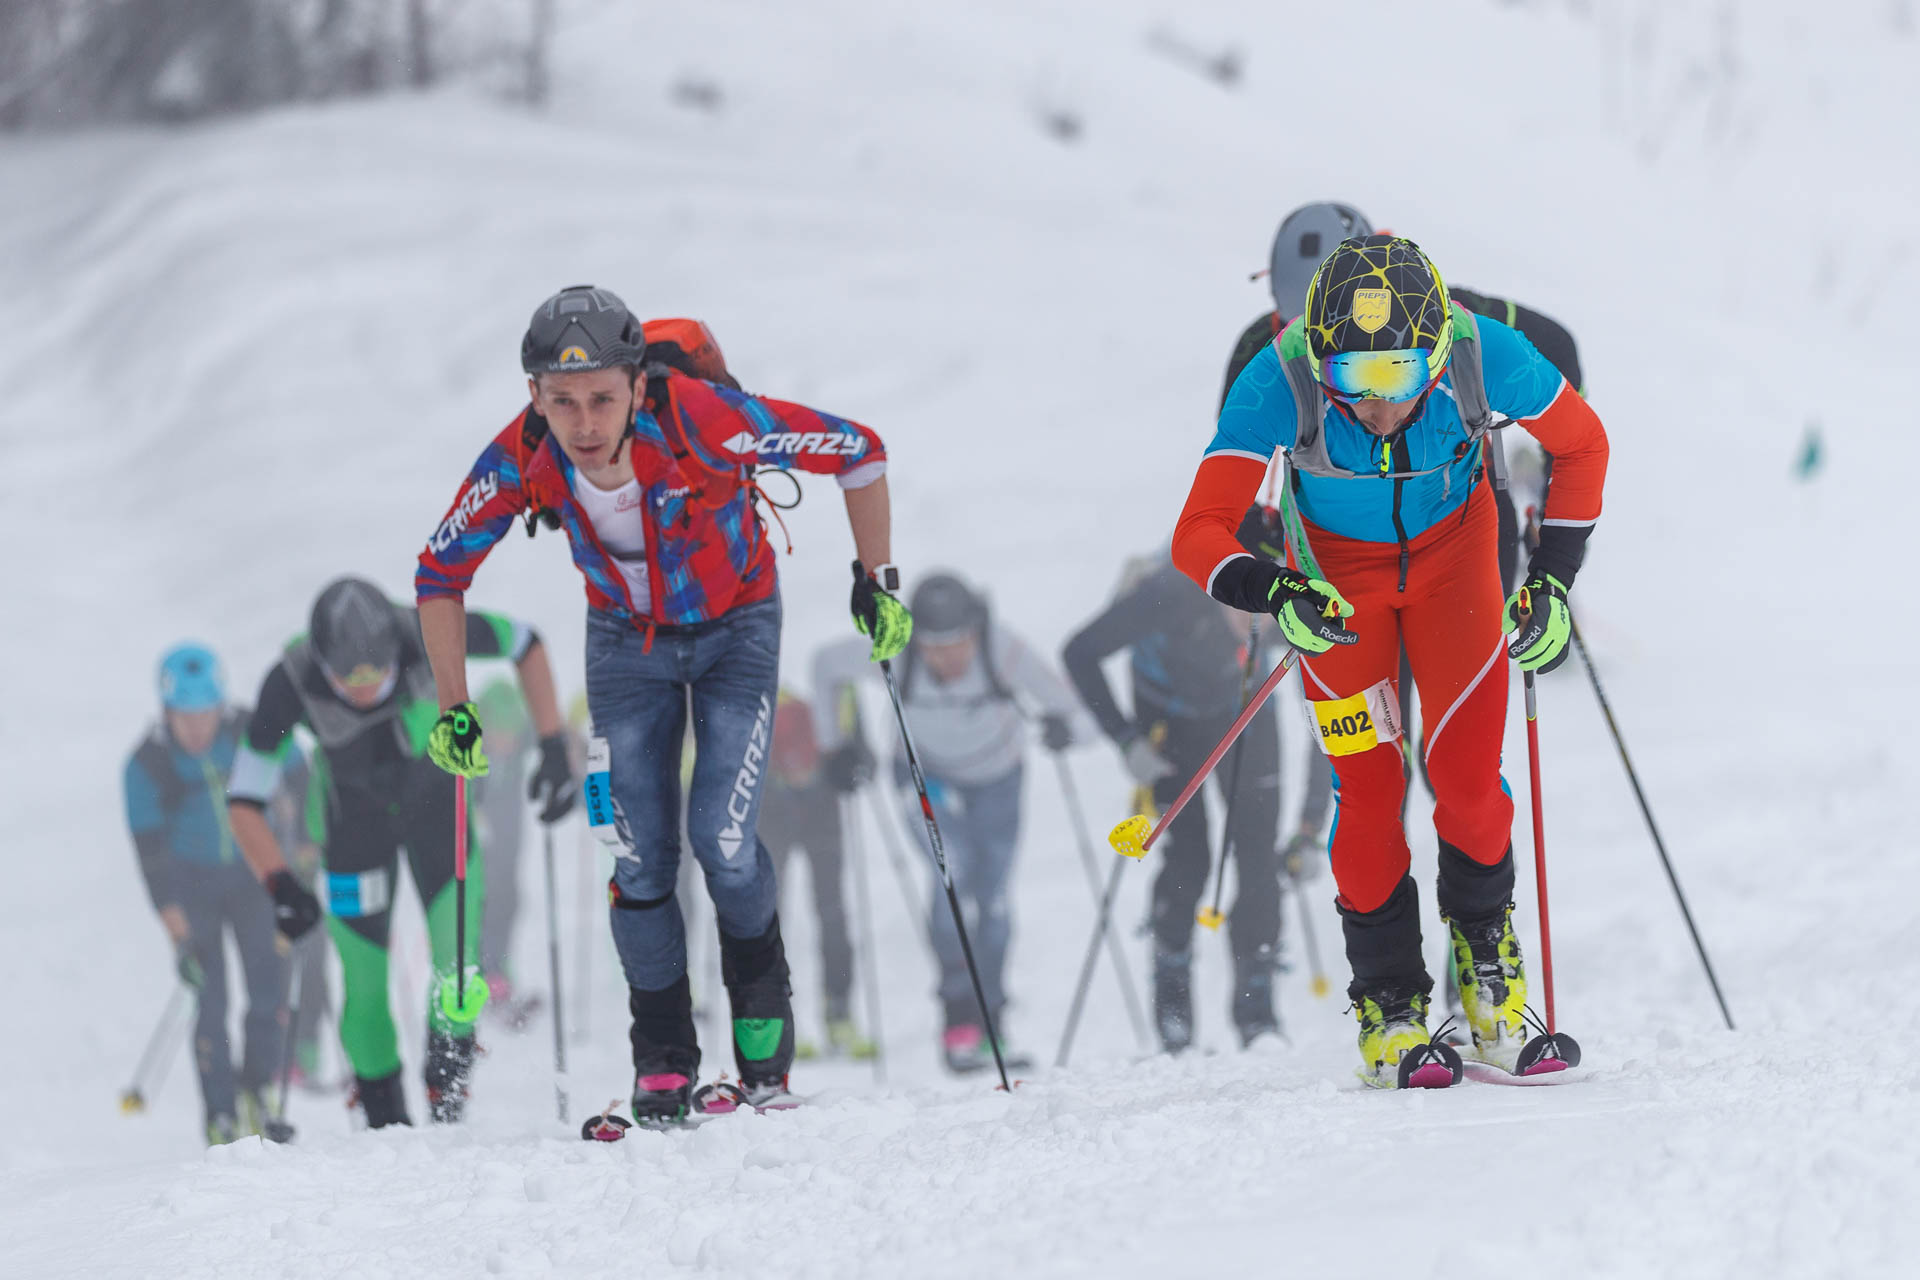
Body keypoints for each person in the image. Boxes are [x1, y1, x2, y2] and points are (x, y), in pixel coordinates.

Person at [413, 288, 906, 1123]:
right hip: (624, 645)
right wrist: (454, 706)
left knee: (721, 834)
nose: (584, 422)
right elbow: (439, 571)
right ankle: (665, 1061)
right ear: (534, 396)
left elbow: (859, 450)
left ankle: (762, 1053)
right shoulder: (523, 455)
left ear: (639, 385)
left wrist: (876, 579)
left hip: (735, 630)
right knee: (638, 856)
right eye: (561, 401)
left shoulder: (708, 419)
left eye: (603, 396)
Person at [1172, 234, 1608, 1088]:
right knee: (1369, 785)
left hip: (1457, 562)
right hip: (1338, 583)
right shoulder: (1280, 372)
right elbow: (1200, 529)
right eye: (1355, 382)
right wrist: (1275, 591)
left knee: (1470, 780)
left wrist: (1553, 583)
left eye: (1399, 379)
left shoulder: (1485, 350)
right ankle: (1391, 1007)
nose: (1375, 407)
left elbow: (1583, 443)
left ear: (1438, 353)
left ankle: (1487, 984)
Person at [225, 577, 569, 1128]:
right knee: (363, 986)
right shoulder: (290, 680)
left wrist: (552, 745)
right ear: (322, 664)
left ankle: (447, 1087)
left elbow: (525, 641)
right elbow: (243, 798)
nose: (362, 689)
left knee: (457, 970)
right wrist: (280, 882)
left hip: (439, 819)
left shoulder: (428, 630)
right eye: (346, 678)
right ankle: (384, 1117)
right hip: (353, 835)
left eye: (375, 674)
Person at [1062, 513, 1331, 1053]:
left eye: (1268, 609)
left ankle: (1257, 1014)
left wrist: (1308, 828)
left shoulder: (1296, 604)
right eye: (1245, 604)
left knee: (1258, 856)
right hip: (1169, 720)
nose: (1257, 621)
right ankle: (1173, 1008)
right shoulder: (1173, 591)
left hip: (1246, 707)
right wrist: (1125, 740)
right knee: (1189, 859)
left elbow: (1327, 718)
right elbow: (1080, 652)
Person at [814, 572, 1096, 1073]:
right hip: (926, 779)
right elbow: (825, 666)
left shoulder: (1002, 649)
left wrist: (1063, 730)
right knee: (953, 879)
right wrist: (836, 745)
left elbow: (1078, 712)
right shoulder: (895, 648)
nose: (947, 657)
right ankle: (958, 1018)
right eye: (933, 646)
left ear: (975, 629)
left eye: (958, 642)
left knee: (994, 897)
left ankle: (993, 1021)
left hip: (998, 780)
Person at [124, 643, 288, 1144]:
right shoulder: (146, 765)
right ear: (166, 711)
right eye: (184, 716)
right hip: (192, 890)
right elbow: (151, 859)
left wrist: (298, 858)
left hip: (253, 877)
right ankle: (220, 1113)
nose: (196, 727)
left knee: (269, 987)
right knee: (209, 1001)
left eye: (205, 714)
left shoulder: (249, 732)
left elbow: (300, 777)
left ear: (222, 707)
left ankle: (259, 1090)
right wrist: (179, 935)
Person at [758, 691, 875, 1060]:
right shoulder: (825, 690)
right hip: (779, 806)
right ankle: (789, 1013)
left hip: (806, 806)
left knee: (824, 912)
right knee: (781, 914)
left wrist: (852, 768)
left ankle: (834, 1012)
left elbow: (864, 758)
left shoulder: (834, 689)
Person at [471, 676, 541, 1027]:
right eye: (499, 734)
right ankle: (485, 971)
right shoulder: (470, 746)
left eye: (512, 736)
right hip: (480, 839)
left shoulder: (519, 738)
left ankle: (499, 966)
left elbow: (547, 737)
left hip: (509, 836)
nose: (505, 743)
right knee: (486, 900)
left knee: (511, 898)